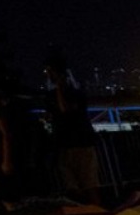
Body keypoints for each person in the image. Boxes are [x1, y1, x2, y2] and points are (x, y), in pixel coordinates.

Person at [43, 51, 100, 204]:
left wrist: (59, 89)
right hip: (67, 144)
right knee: (76, 187)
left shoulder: (74, 94)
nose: (48, 75)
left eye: (49, 71)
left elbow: (65, 110)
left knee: (88, 185)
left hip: (80, 144)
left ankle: (96, 214)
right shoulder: (56, 95)